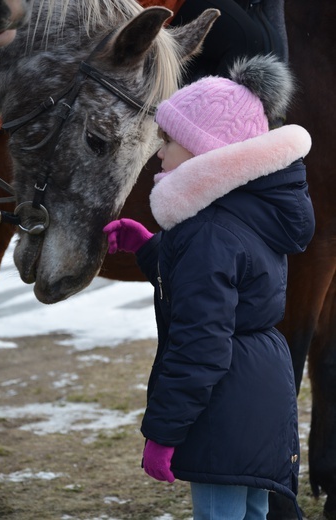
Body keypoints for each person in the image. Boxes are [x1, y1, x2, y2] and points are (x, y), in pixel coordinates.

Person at [103, 54, 315, 520]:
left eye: (171, 140)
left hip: (222, 405)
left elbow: (200, 342)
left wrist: (163, 433)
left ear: (206, 151)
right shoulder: (248, 211)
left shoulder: (207, 232)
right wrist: (152, 250)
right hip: (259, 392)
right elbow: (234, 283)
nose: (160, 152)